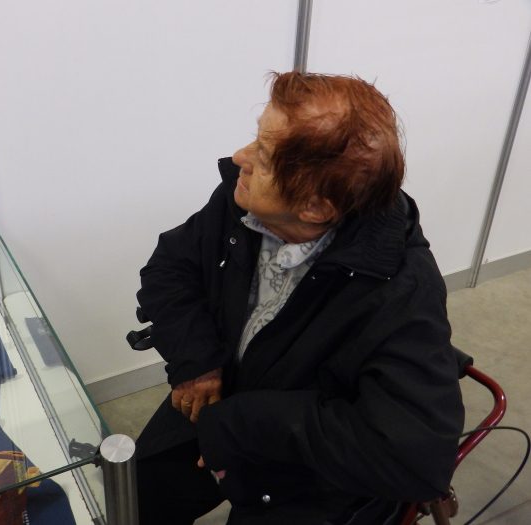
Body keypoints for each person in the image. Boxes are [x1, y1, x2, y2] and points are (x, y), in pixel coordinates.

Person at [134, 71, 465, 525]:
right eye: (257, 138)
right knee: (132, 495)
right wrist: (196, 361)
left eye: (264, 155)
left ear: (314, 207)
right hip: (218, 396)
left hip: (306, 469)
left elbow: (416, 460)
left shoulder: (400, 291)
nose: (240, 157)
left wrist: (243, 425)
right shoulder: (242, 201)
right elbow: (170, 267)